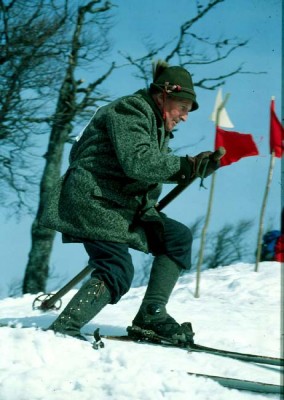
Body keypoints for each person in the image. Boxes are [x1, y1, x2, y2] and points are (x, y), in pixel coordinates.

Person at [40, 60, 220, 344]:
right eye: (183, 108)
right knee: (117, 269)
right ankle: (64, 331)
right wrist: (186, 166)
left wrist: (193, 167)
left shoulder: (154, 122)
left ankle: (151, 313)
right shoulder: (130, 110)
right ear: (163, 95)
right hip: (94, 201)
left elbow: (147, 167)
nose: (185, 117)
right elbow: (137, 162)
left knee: (176, 237)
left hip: (121, 205)